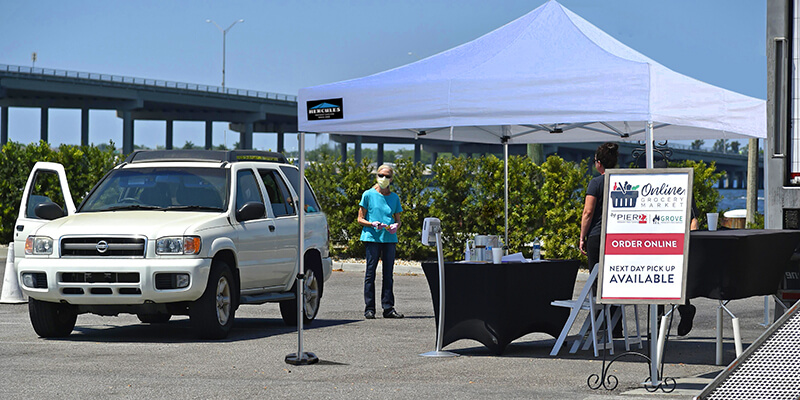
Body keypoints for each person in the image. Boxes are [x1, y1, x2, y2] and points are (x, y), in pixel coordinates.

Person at [357, 164, 404, 320]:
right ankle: (369, 308)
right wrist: (372, 224)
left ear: (392, 179)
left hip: (389, 239)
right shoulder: (368, 195)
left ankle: (388, 308)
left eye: (387, 176)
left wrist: (396, 226)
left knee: (388, 274)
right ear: (376, 176)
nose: (384, 179)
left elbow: (398, 220)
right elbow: (360, 218)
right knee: (370, 274)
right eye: (381, 175)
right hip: (372, 238)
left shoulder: (394, 197)